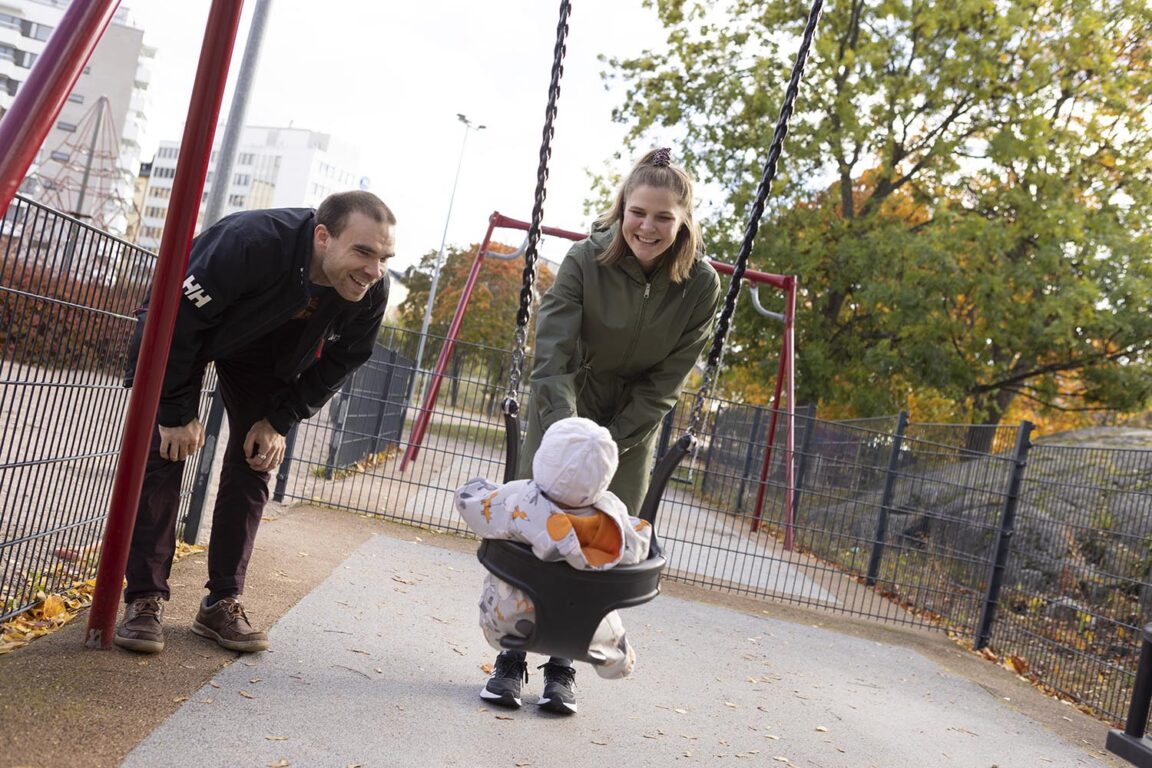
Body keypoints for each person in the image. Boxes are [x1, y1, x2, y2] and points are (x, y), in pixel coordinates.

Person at [480, 147, 722, 713]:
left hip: (633, 424)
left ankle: (564, 665)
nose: (648, 226)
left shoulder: (700, 286)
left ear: (683, 220)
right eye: (639, 212)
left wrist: (612, 441)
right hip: (566, 404)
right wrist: (567, 436)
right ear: (621, 209)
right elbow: (555, 347)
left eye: (664, 217)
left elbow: (668, 379)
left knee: (602, 542)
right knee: (536, 528)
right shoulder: (586, 259)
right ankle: (511, 658)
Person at [114, 190, 397, 655]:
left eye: (385, 257)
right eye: (363, 251)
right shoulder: (248, 242)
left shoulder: (370, 289)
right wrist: (175, 413)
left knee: (256, 460)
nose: (374, 270)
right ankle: (144, 598)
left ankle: (222, 601)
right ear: (323, 237)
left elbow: (346, 358)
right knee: (166, 450)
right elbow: (173, 322)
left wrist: (279, 419)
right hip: (189, 332)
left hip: (266, 356)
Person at [456, 417, 653, 712]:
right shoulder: (614, 517)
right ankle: (575, 666)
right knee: (597, 602)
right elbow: (641, 548)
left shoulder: (518, 498)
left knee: (512, 581)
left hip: (508, 623)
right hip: (582, 633)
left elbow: (468, 501)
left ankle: (510, 662)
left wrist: (484, 487)